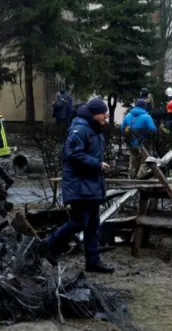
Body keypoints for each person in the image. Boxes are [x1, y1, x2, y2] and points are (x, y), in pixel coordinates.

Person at [38, 98, 114, 274]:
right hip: (79, 185)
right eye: (104, 114)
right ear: (95, 113)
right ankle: (48, 244)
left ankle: (93, 261)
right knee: (79, 222)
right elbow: (73, 154)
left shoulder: (94, 129)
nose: (106, 118)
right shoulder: (80, 130)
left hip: (90, 184)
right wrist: (97, 164)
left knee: (93, 224)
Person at [120, 99, 157, 178]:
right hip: (143, 146)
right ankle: (140, 180)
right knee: (143, 164)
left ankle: (132, 180)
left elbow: (122, 128)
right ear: (144, 106)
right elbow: (153, 130)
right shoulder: (147, 117)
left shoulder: (128, 116)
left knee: (133, 163)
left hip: (132, 146)